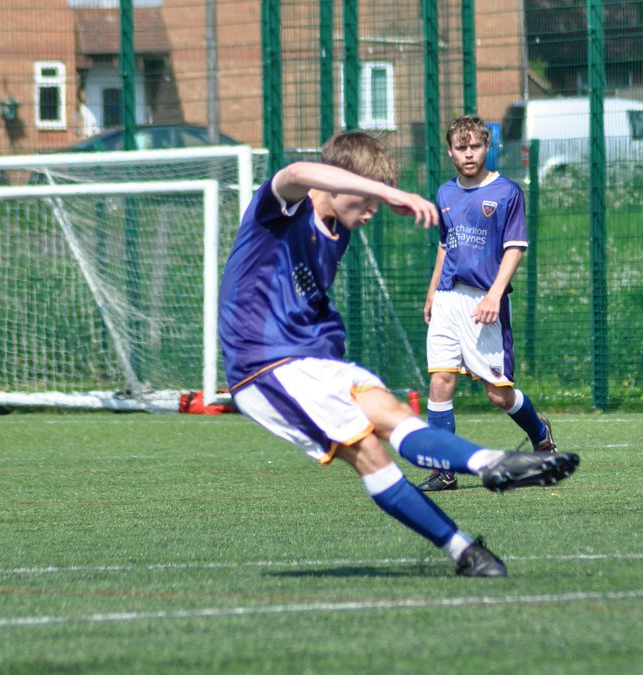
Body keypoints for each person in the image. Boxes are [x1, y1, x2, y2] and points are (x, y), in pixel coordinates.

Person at [218, 131, 580, 577]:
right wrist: (386, 191)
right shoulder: (281, 211)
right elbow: (295, 173)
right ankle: (473, 506)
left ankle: (479, 502)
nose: (372, 212)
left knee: (389, 415)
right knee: (369, 449)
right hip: (264, 366)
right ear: (340, 182)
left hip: (310, 361)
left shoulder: (339, 233)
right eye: (366, 201)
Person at [417, 115, 557, 493]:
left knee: (498, 393)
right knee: (440, 381)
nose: (468, 154)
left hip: (484, 300)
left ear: (487, 147)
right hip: (448, 297)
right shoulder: (445, 193)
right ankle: (443, 470)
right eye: (460, 148)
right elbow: (445, 247)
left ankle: (540, 433)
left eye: (475, 146)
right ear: (450, 152)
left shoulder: (507, 192)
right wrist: (432, 292)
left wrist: (495, 294)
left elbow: (514, 248)